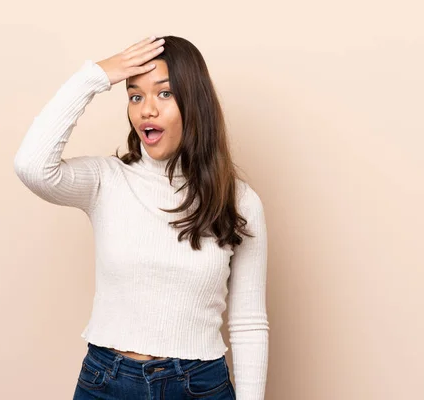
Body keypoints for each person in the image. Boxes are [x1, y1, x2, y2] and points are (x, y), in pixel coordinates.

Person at [13, 35, 269, 400]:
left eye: (164, 93)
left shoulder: (240, 201)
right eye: (135, 95)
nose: (146, 109)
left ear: (194, 101)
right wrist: (97, 76)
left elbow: (249, 325)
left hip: (199, 386)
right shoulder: (106, 181)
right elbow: (31, 166)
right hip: (107, 382)